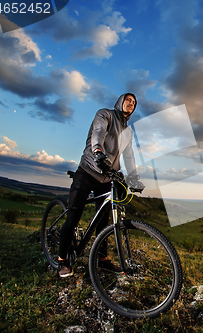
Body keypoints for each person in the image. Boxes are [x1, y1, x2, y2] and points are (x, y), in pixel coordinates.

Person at [58, 93, 143, 278]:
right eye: (128, 100)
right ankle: (62, 260)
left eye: (134, 103)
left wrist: (134, 177)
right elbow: (98, 131)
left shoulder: (128, 131)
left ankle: (101, 260)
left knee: (104, 222)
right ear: (120, 101)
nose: (131, 103)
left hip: (107, 177)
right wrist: (98, 151)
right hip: (88, 170)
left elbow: (129, 156)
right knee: (73, 216)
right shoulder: (105, 114)